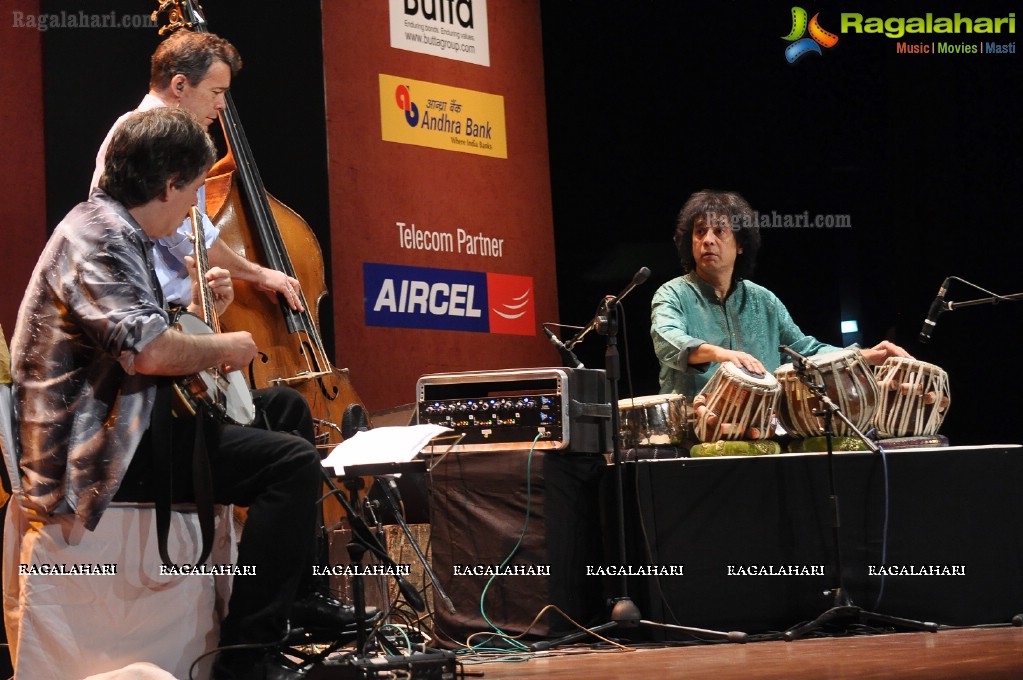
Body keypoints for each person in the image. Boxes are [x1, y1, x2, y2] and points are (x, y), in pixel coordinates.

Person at [11, 108, 347, 680]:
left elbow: (137, 334)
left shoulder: (119, 229)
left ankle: (291, 608)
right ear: (168, 184)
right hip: (93, 451)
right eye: (193, 190)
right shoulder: (99, 237)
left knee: (285, 409)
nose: (195, 205)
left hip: (130, 420)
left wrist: (191, 303)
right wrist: (226, 345)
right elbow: (148, 353)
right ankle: (248, 656)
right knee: (290, 465)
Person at [91, 29, 304, 312]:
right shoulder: (159, 136)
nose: (221, 105)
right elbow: (191, 237)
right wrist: (261, 274)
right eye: (215, 92)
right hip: (149, 313)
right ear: (179, 85)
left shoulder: (137, 127)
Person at [651, 190, 909, 401]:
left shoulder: (763, 301)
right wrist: (721, 354)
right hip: (692, 429)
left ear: (740, 245)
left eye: (719, 231)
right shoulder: (673, 293)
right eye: (699, 232)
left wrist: (866, 355)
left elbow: (805, 351)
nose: (707, 240)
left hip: (762, 426)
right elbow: (668, 341)